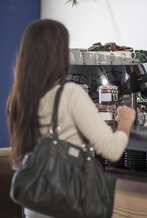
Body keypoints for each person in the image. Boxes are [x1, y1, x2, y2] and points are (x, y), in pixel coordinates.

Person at [6, 19, 136, 218]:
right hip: (67, 204)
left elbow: (19, 160)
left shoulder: (17, 99)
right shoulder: (69, 94)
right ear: (59, 55)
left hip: (34, 205)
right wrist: (125, 123)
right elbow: (112, 150)